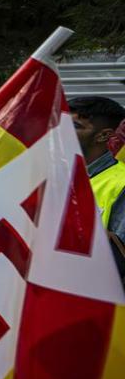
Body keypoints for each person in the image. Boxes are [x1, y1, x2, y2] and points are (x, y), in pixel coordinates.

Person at [69, 96, 125, 278]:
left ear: (103, 135)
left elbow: (117, 261)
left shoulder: (121, 183)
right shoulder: (57, 174)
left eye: (75, 126)